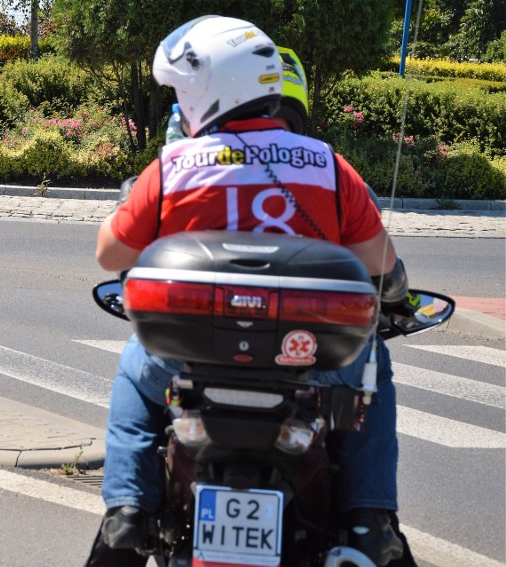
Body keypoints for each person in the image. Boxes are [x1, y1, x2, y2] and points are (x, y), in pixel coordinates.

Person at [87, 16, 411, 567]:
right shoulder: (330, 169)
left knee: (134, 373)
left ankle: (128, 514)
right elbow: (382, 267)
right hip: (312, 366)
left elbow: (111, 255)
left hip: (189, 367)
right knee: (371, 371)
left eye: (183, 92)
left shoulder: (173, 168)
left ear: (210, 91)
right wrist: (395, 298)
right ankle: (367, 519)